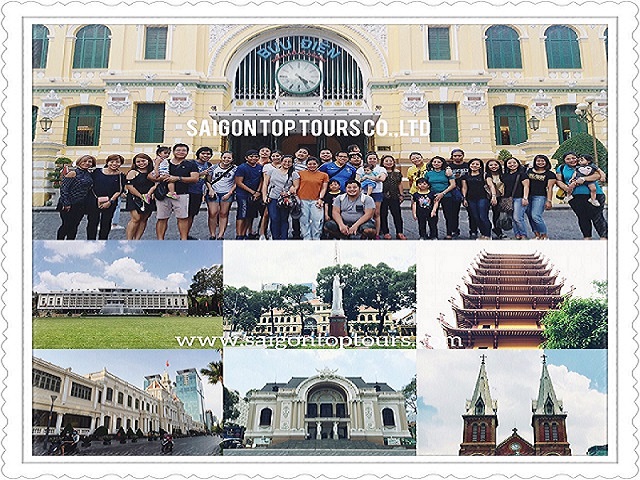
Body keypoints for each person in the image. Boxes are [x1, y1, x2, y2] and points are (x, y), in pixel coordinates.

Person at [151, 143, 199, 240]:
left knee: (182, 218)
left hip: (182, 194)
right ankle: (160, 241)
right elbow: (150, 175)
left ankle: (183, 239)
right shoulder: (164, 162)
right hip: (163, 194)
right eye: (178, 150)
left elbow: (195, 178)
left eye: (184, 150)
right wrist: (160, 178)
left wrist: (177, 178)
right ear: (173, 152)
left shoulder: (191, 164)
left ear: (187, 152)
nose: (181, 152)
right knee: (162, 218)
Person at [555, 151, 607, 239]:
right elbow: (558, 180)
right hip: (575, 196)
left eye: (573, 158)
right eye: (568, 159)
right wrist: (565, 187)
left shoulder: (587, 165)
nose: (572, 160)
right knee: (582, 217)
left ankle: (604, 237)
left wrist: (583, 179)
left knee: (597, 216)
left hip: (594, 195)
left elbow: (598, 175)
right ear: (564, 160)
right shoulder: (561, 168)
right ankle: (587, 237)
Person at [86, 154, 126, 240]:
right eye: (112, 161)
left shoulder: (120, 175)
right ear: (107, 162)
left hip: (110, 202)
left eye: (117, 162)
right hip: (94, 201)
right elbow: (90, 185)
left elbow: (119, 190)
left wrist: (110, 202)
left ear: (120, 164)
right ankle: (90, 242)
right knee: (92, 223)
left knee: (106, 223)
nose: (114, 164)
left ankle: (103, 242)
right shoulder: (96, 172)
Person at [56, 155, 95, 240]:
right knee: (66, 225)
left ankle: (70, 244)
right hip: (69, 204)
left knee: (74, 226)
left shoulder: (89, 174)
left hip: (80, 205)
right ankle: (59, 243)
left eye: (89, 162)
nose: (87, 163)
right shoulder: (73, 173)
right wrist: (67, 203)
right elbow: (64, 189)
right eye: (84, 161)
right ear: (79, 161)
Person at [262, 154, 300, 240]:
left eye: (289, 162)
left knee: (284, 219)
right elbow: (265, 184)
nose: (287, 163)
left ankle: (283, 238)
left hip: (285, 199)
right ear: (281, 162)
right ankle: (275, 237)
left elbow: (295, 186)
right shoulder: (272, 171)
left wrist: (288, 192)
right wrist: (265, 196)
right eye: (285, 161)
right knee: (274, 218)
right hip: (272, 197)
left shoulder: (294, 174)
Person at [124, 153, 156, 240]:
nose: (141, 163)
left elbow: (156, 184)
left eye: (143, 161)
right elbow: (130, 187)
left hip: (148, 197)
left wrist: (150, 193)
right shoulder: (133, 172)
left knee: (144, 218)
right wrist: (141, 196)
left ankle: (137, 239)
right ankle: (129, 240)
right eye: (138, 161)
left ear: (148, 161)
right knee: (136, 218)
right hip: (135, 197)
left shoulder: (152, 172)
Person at [206, 151, 237, 240]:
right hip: (214, 192)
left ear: (232, 159)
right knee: (212, 213)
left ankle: (221, 234)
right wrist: (211, 190)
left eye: (229, 158)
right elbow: (208, 180)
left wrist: (230, 193)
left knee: (224, 213)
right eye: (224, 157)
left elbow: (236, 182)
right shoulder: (213, 168)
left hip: (226, 192)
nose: (226, 160)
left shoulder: (235, 169)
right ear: (221, 158)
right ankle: (212, 234)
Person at [461, 158, 494, 240]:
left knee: (483, 216)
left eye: (477, 164)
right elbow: (464, 187)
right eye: (472, 164)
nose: (474, 166)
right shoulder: (466, 176)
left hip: (483, 198)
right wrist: (464, 198)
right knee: (476, 217)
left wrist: (493, 196)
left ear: (480, 166)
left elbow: (491, 185)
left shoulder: (485, 175)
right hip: (471, 198)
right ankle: (483, 233)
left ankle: (488, 235)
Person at [186, 146, 214, 239]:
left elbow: (207, 180)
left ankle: (186, 234)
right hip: (188, 191)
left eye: (208, 154)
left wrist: (209, 188)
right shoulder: (191, 163)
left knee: (192, 214)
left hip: (198, 192)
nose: (205, 155)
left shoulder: (209, 165)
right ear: (198, 154)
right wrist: (201, 174)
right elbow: (186, 176)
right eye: (203, 153)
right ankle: (183, 235)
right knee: (186, 215)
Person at [234, 149, 263, 240]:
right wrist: (252, 192)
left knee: (250, 215)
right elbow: (239, 182)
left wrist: (257, 192)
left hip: (255, 195)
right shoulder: (242, 167)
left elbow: (262, 180)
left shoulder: (259, 167)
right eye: (251, 156)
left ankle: (247, 232)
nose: (253, 158)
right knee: (242, 214)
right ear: (246, 158)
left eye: (256, 156)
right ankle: (239, 234)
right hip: (243, 194)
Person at [425, 156, 456, 239]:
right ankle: (433, 234)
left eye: (438, 162)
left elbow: (453, 185)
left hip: (446, 196)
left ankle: (449, 234)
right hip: (433, 197)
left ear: (442, 163)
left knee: (448, 215)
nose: (436, 164)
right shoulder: (428, 173)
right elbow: (425, 185)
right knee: (433, 216)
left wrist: (443, 193)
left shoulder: (447, 172)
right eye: (434, 162)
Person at [356, 152, 387, 237]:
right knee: (363, 213)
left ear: (377, 159)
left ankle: (376, 233)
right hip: (363, 193)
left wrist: (367, 177)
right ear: (367, 160)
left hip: (377, 193)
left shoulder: (381, 169)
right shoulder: (361, 169)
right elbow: (357, 180)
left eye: (374, 158)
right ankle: (364, 232)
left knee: (376, 213)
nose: (372, 160)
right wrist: (373, 178)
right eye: (370, 158)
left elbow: (382, 179)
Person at [525, 154, 556, 239]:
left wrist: (549, 200)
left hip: (540, 196)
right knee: (530, 216)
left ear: (546, 162)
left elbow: (550, 188)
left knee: (535, 215)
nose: (540, 162)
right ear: (535, 162)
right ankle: (537, 235)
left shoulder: (550, 174)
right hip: (528, 196)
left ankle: (544, 234)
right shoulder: (529, 171)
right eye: (538, 161)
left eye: (542, 161)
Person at [298, 156, 329, 240]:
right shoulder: (300, 173)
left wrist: (320, 198)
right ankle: (306, 237)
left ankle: (316, 237)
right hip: (303, 199)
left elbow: (324, 188)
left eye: (314, 164)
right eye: (309, 164)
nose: (312, 165)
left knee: (317, 220)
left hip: (316, 200)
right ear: (306, 165)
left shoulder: (324, 175)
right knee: (304, 220)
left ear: (318, 165)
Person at [447, 148, 474, 238]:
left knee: (472, 213)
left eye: (459, 155)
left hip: (469, 191)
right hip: (454, 191)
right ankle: (455, 230)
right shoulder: (449, 167)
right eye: (455, 156)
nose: (457, 157)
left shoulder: (468, 165)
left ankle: (473, 231)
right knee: (454, 213)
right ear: (452, 156)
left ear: (463, 156)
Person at [502, 157, 530, 240]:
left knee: (518, 217)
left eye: (514, 163)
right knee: (512, 218)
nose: (512, 165)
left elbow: (526, 186)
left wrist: (525, 198)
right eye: (509, 163)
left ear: (518, 164)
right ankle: (517, 234)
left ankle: (523, 234)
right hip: (508, 199)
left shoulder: (522, 174)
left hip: (519, 198)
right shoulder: (505, 175)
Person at [379, 155, 405, 240]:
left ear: (393, 162)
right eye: (386, 161)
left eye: (391, 161)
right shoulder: (380, 171)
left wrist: (401, 194)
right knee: (383, 214)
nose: (389, 162)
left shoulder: (397, 172)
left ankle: (399, 232)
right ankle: (386, 232)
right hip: (383, 196)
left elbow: (399, 184)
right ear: (382, 162)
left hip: (394, 196)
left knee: (397, 214)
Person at [485, 159, 506, 239]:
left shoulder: (503, 174)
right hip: (492, 197)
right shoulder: (487, 175)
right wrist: (493, 196)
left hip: (503, 197)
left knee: (502, 214)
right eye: (491, 165)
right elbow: (491, 185)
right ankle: (497, 231)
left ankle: (499, 228)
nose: (493, 166)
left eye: (495, 165)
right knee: (496, 214)